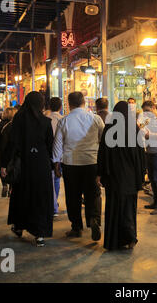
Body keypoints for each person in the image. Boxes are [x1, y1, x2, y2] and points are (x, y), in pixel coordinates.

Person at [0, 92, 54, 247]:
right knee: (40, 198)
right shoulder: (45, 121)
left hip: (24, 164)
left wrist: (4, 164)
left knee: (22, 195)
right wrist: (54, 163)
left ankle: (19, 226)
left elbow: (12, 144)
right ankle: (40, 234)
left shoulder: (19, 119)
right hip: (41, 164)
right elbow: (50, 145)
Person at [53, 92, 104, 241]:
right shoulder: (96, 119)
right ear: (84, 102)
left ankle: (76, 227)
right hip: (92, 162)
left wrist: (57, 162)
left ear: (69, 104)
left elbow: (58, 144)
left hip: (71, 164)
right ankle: (94, 220)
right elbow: (104, 139)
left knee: (73, 195)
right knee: (93, 193)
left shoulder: (64, 121)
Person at [97, 101, 145, 250]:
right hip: (130, 178)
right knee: (129, 208)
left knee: (114, 207)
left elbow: (102, 154)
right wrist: (141, 174)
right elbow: (141, 156)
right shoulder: (134, 129)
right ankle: (130, 237)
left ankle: (113, 241)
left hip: (114, 177)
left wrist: (100, 173)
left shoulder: (109, 128)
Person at [46, 97, 63, 217]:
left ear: (49, 107)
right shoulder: (63, 120)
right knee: (57, 179)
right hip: (62, 155)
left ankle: (52, 206)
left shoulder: (45, 119)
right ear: (61, 107)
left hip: (48, 154)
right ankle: (54, 204)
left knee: (50, 180)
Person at [0, 107, 16, 197]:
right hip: (13, 150)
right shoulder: (16, 125)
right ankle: (12, 187)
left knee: (2, 167)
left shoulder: (0, 125)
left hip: (1, 150)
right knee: (12, 167)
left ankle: (4, 185)